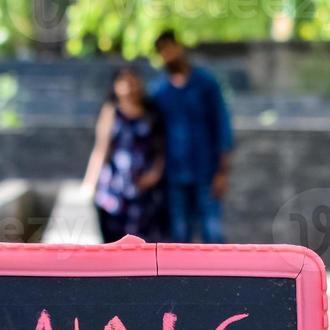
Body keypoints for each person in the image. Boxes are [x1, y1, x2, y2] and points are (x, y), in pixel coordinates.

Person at [150, 30, 233, 244]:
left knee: (211, 232)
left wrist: (223, 171)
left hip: (206, 171)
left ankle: (217, 277)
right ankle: (182, 279)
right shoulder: (160, 91)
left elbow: (222, 125)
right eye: (162, 51)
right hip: (174, 175)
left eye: (171, 47)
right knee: (179, 235)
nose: (168, 54)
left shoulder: (206, 84)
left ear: (180, 47)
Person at [83, 66, 167, 243]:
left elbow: (160, 150)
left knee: (141, 243)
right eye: (124, 82)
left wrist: (154, 174)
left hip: (143, 190)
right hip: (114, 190)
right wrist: (89, 183)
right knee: (114, 242)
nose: (129, 86)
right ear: (115, 86)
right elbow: (101, 148)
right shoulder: (111, 111)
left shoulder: (151, 113)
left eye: (133, 81)